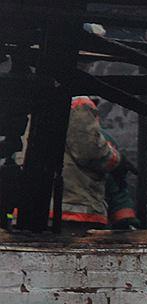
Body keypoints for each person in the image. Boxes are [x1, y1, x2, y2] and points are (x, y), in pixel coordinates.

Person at [16, 95, 139, 233]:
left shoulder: (35, 105)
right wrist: (118, 161)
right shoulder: (79, 103)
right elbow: (91, 153)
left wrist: (126, 221)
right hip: (73, 216)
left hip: (28, 213)